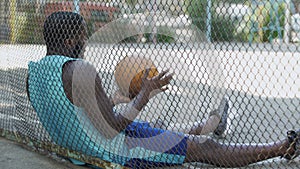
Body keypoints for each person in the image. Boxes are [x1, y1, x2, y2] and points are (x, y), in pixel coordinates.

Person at [26, 11, 299, 169]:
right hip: (116, 154)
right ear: (70, 38)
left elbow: (70, 111)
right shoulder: (79, 70)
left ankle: (208, 123)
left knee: (158, 126)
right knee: (205, 149)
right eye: (83, 35)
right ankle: (283, 147)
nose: (86, 41)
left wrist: (115, 100)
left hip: (78, 149)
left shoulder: (34, 74)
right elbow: (115, 127)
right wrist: (144, 94)